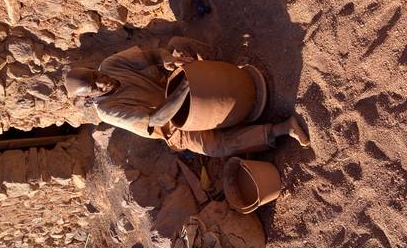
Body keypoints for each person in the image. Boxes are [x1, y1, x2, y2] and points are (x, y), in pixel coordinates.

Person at [64, 37, 310, 158]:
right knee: (215, 146)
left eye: (95, 75)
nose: (101, 80)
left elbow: (151, 55)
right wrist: (186, 89)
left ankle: (229, 69)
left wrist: (167, 60)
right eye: (95, 87)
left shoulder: (110, 65)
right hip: (174, 126)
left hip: (169, 85)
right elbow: (158, 118)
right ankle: (282, 129)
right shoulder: (108, 110)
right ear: (90, 98)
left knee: (178, 45)